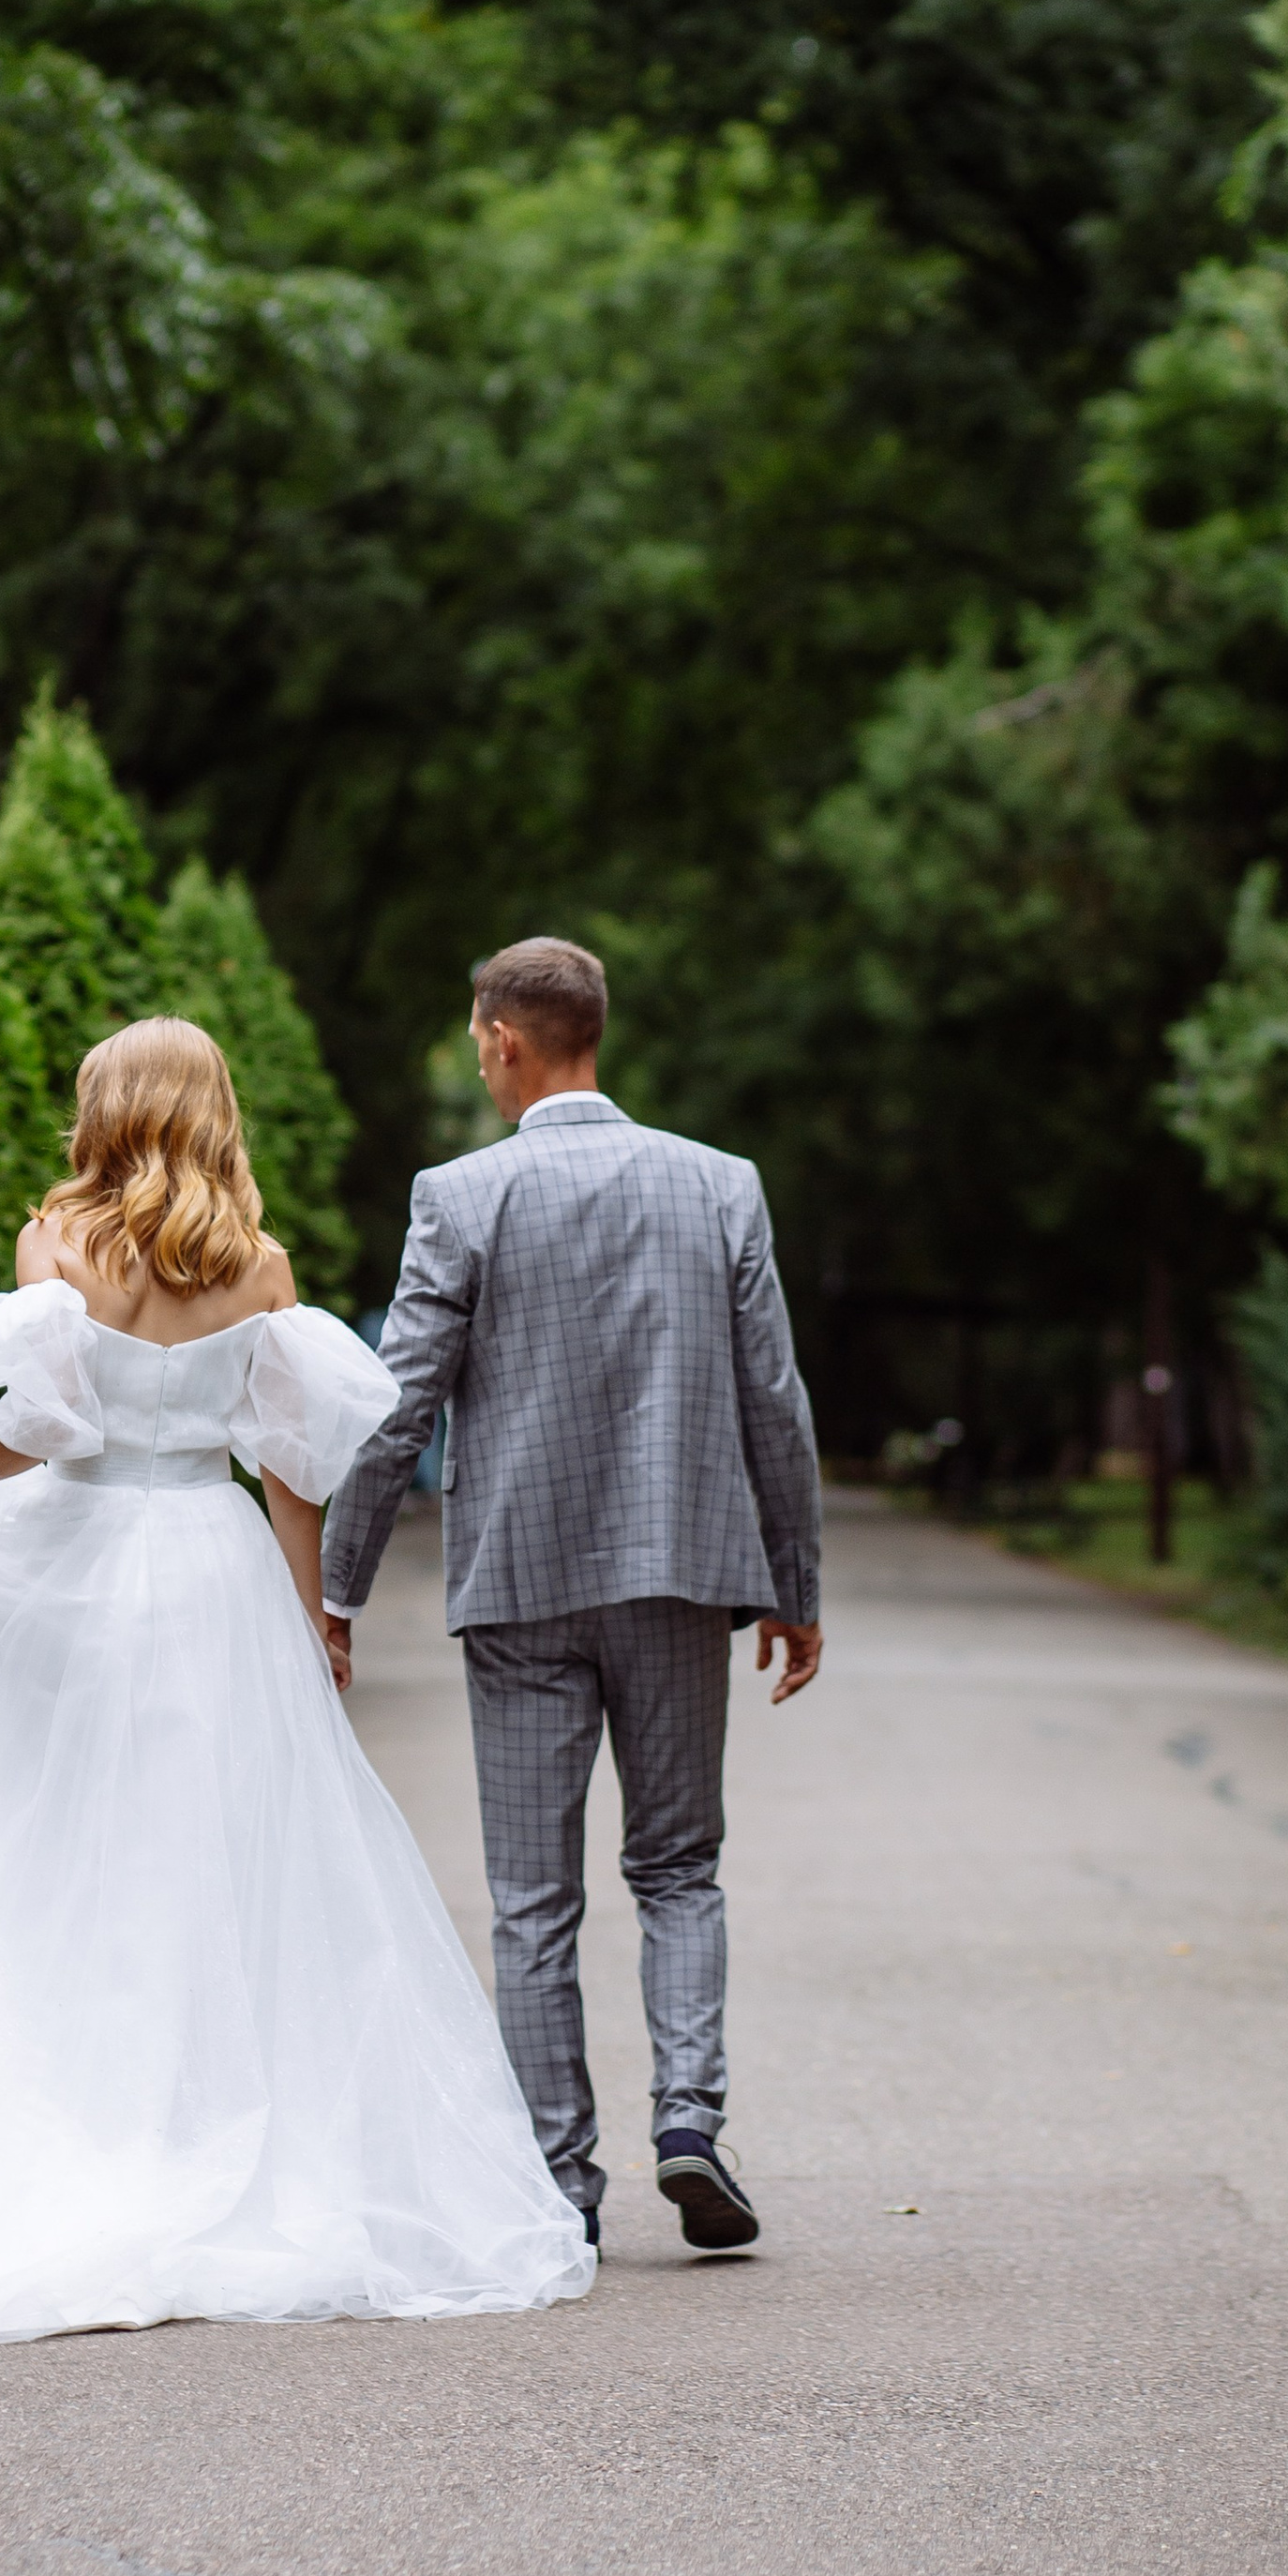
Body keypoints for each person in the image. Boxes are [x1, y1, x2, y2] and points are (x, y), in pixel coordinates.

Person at [0, 1017, 594, 2348]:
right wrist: (315, 1621)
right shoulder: (258, 1268)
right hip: (211, 1570)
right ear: (211, 1110)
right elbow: (291, 1465)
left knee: (55, 1855)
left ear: (107, 1107)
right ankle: (198, 2131)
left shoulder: (58, 1244)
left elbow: (43, 1429)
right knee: (205, 1864)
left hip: (72, 1567)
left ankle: (60, 2123)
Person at [322, 937, 821, 2255]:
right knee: (678, 1867)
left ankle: (561, 2189)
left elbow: (397, 1407)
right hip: (676, 1577)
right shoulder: (720, 1186)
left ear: (502, 1041)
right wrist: (795, 1581)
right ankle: (691, 2125)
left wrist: (339, 1585)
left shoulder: (461, 1195)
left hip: (524, 1589)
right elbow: (775, 1398)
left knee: (533, 1897)